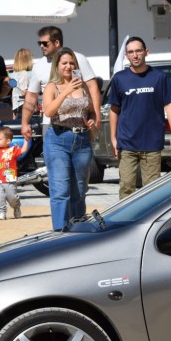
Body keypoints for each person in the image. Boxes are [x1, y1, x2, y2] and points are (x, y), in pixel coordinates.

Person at [108, 37, 171, 199]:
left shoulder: (159, 77)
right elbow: (114, 110)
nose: (135, 55)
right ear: (126, 55)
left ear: (146, 52)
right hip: (127, 143)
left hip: (152, 142)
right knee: (126, 187)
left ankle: (149, 222)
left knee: (152, 190)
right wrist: (113, 138)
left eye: (138, 51)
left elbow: (169, 105)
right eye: (131, 52)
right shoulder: (119, 79)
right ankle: (124, 221)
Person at [42, 49, 96, 229]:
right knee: (60, 191)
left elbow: (91, 111)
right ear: (57, 65)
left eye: (71, 63)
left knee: (79, 191)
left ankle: (77, 229)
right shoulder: (52, 86)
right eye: (64, 63)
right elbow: (48, 111)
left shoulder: (83, 86)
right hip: (58, 139)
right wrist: (65, 92)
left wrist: (92, 121)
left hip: (81, 140)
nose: (68, 66)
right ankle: (60, 231)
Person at [20, 26, 101, 143]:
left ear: (57, 42)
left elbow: (92, 87)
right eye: (39, 43)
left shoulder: (77, 59)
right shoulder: (38, 66)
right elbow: (31, 97)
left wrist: (96, 115)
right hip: (51, 125)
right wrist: (24, 123)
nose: (41, 46)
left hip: (81, 125)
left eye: (44, 43)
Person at [0, 126, 23, 221]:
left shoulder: (13, 150)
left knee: (12, 197)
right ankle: (1, 211)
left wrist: (27, 141)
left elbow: (23, 150)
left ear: (8, 141)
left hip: (9, 180)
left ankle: (16, 207)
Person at [9, 47, 34, 113]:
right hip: (24, 105)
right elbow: (24, 92)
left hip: (16, 105)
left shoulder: (14, 74)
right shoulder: (24, 74)